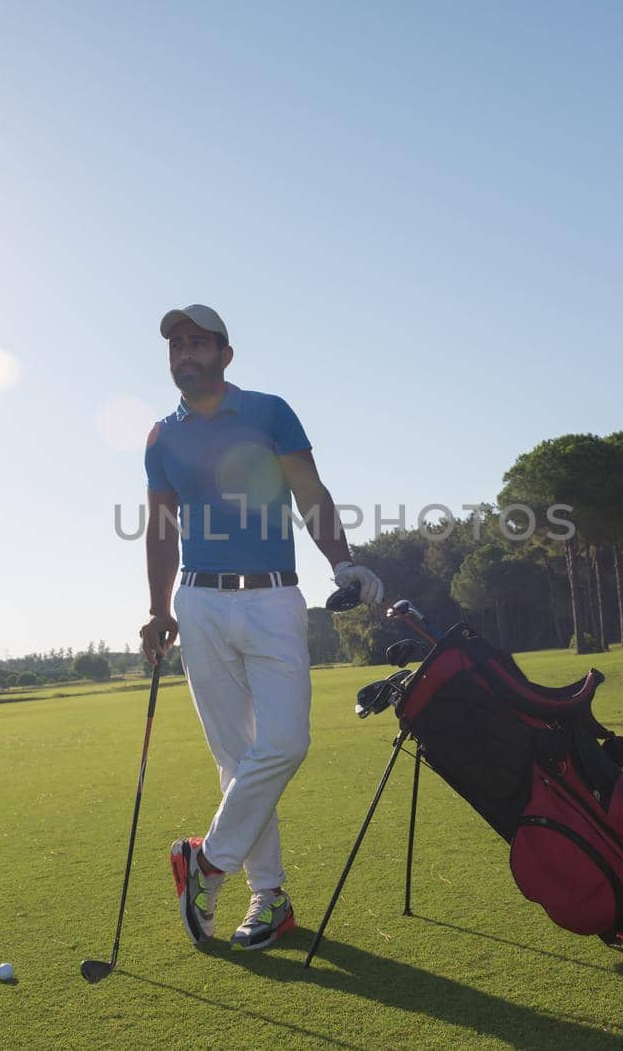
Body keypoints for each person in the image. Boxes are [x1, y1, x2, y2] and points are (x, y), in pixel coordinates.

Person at [138, 303, 384, 951]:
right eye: (175, 346)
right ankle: (268, 899)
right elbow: (161, 528)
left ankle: (207, 863)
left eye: (197, 343)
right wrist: (161, 609)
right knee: (235, 760)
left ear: (225, 354)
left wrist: (344, 562)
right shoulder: (161, 437)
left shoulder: (271, 412)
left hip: (275, 600)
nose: (184, 354)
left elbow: (310, 492)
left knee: (284, 743)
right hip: (199, 604)